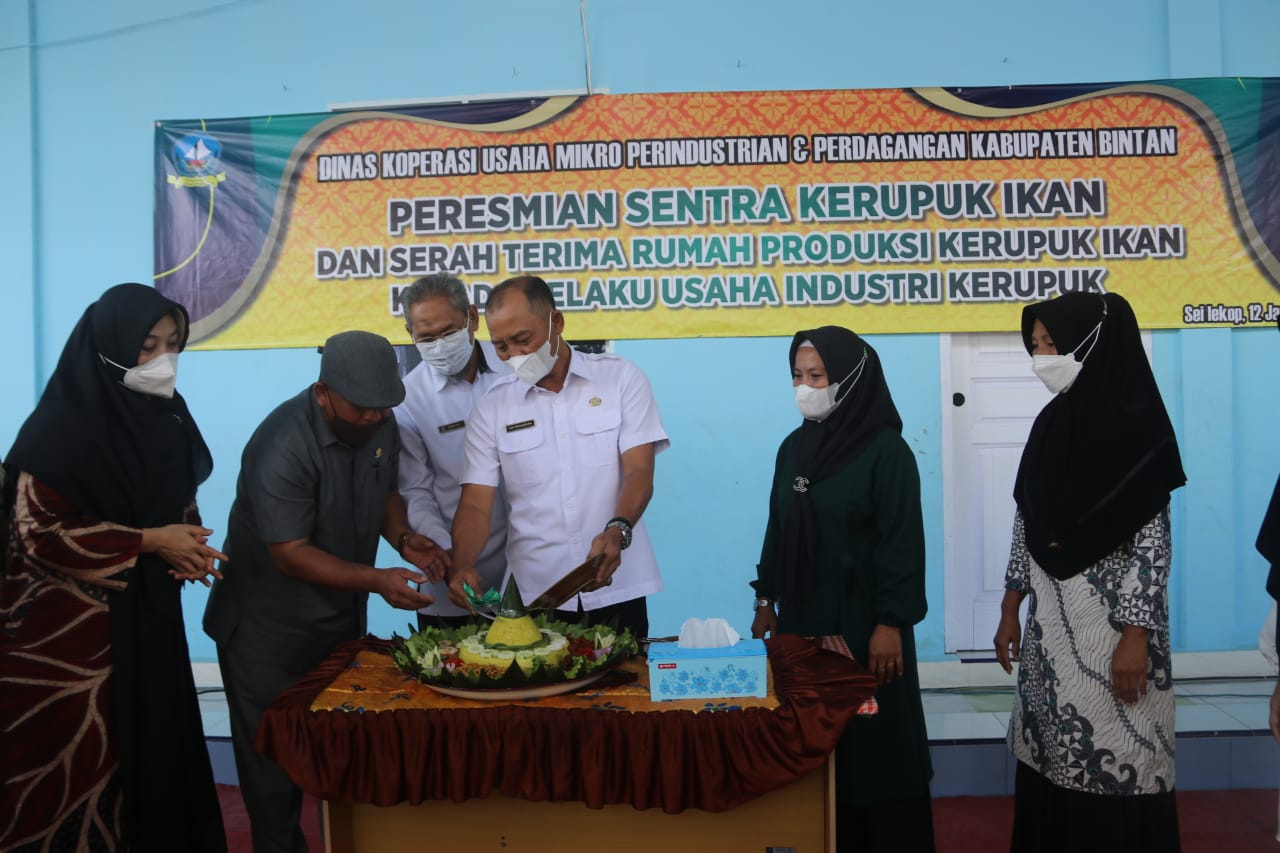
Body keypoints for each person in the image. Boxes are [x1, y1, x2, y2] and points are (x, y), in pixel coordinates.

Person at [1, 283, 227, 851]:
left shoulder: (167, 417)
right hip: (71, 639)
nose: (161, 359)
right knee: (89, 761)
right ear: (108, 346)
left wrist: (188, 543)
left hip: (147, 614)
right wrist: (149, 541)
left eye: (172, 344)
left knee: (155, 749)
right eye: (147, 346)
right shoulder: (58, 430)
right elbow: (38, 532)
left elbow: (175, 498)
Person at [202, 330, 442, 853]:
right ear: (323, 392)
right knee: (272, 773)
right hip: (264, 634)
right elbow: (289, 552)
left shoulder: (381, 422)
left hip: (337, 625)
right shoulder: (282, 442)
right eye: (362, 407)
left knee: (338, 753)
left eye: (384, 406)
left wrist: (405, 539)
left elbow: (387, 493)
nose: (375, 417)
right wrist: (377, 580)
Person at [993, 291, 1186, 851]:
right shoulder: (1050, 423)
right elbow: (1026, 520)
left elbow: (1152, 545)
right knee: (1051, 755)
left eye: (1052, 344)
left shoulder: (1137, 428)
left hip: (1112, 639)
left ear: (1091, 343)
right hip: (1049, 633)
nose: (1041, 357)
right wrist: (1010, 605)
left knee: (1119, 758)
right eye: (1035, 345)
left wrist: (1135, 636)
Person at [750, 326, 934, 853]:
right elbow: (778, 526)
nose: (805, 388)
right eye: (798, 376)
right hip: (804, 622)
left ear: (852, 379)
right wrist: (766, 598)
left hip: (867, 626)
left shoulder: (887, 452)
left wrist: (891, 622)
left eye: (818, 376)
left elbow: (902, 542)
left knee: (874, 745)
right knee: (815, 741)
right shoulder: (794, 448)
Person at [446, 275, 667, 639]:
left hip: (617, 583)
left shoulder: (620, 379)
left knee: (624, 675)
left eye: (523, 339)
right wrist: (463, 563)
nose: (514, 355)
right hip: (535, 595)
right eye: (501, 346)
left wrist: (618, 530)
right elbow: (475, 504)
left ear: (557, 322)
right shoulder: (492, 407)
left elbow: (639, 472)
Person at [395, 274, 510, 628]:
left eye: (448, 332)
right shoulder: (408, 399)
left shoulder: (515, 369)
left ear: (471, 318)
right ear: (410, 334)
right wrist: (447, 556)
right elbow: (415, 489)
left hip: (531, 565)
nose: (440, 346)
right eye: (427, 338)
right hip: (453, 574)